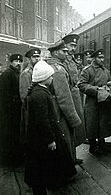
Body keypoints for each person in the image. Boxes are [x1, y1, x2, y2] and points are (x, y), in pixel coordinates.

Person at [24, 60, 77, 195]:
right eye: (50, 76)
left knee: (42, 168)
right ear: (44, 78)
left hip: (40, 139)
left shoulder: (38, 92)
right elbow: (42, 121)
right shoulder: (40, 95)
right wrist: (50, 140)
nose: (52, 78)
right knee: (41, 169)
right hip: (42, 140)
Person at [46, 40, 82, 165]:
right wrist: (73, 118)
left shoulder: (51, 66)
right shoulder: (58, 70)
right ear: (55, 53)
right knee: (65, 137)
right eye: (64, 51)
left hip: (54, 109)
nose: (67, 53)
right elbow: (64, 97)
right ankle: (68, 168)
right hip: (60, 112)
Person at [78, 49, 111, 155]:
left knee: (103, 122)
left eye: (103, 58)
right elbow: (81, 85)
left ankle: (102, 143)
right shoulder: (87, 70)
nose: (102, 60)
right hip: (92, 101)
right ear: (94, 58)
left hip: (104, 101)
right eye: (99, 58)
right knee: (92, 123)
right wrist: (97, 90)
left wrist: (109, 89)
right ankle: (92, 146)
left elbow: (110, 82)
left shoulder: (106, 71)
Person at [62, 34, 86, 164]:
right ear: (65, 45)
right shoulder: (63, 60)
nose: (73, 48)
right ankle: (69, 158)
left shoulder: (72, 60)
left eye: (75, 46)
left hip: (75, 96)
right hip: (68, 97)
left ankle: (73, 155)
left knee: (76, 128)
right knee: (68, 127)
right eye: (71, 45)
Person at [0, 54, 23, 163]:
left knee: (16, 132)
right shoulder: (7, 74)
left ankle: (15, 156)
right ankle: (9, 158)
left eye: (20, 61)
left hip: (16, 108)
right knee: (9, 133)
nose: (18, 64)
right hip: (9, 110)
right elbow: (4, 94)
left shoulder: (18, 74)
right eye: (15, 61)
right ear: (11, 62)